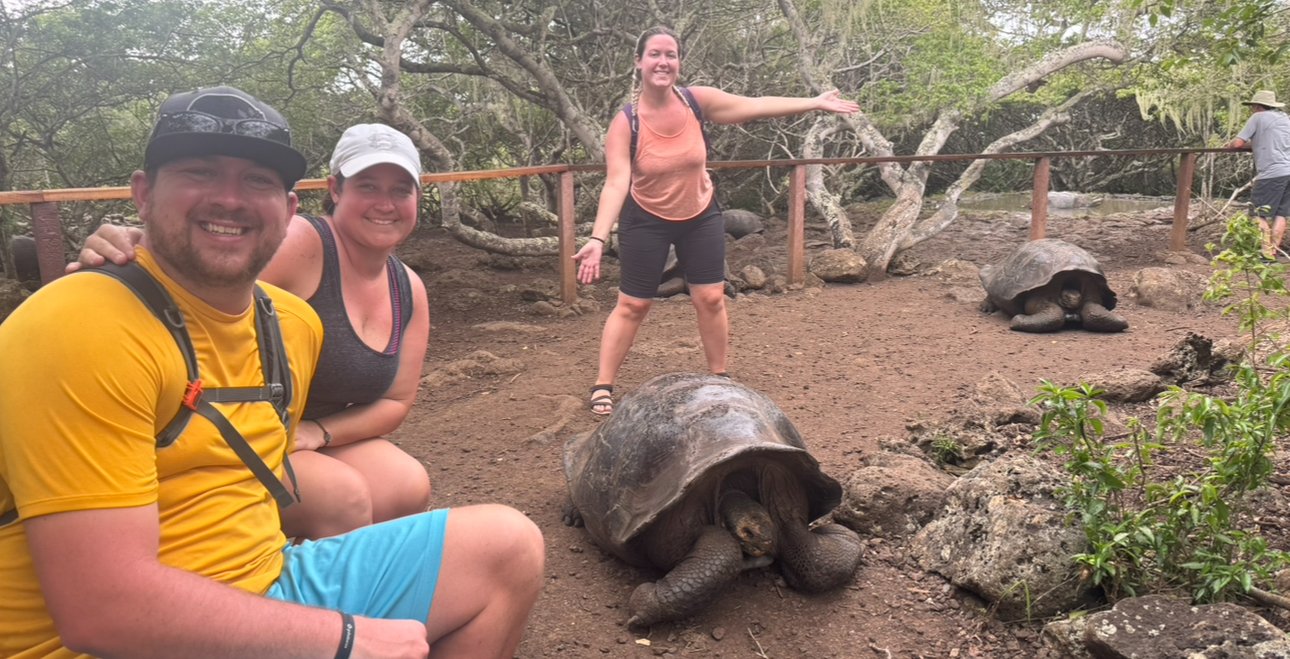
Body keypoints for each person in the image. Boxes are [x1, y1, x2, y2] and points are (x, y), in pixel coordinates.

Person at [0, 85, 543, 658]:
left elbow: (254, 478)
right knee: (349, 502)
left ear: (287, 209)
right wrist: (344, 636)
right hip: (110, 638)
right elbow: (101, 613)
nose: (229, 200)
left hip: (265, 577)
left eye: (257, 181)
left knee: (507, 546)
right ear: (142, 194)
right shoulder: (78, 326)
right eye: (200, 173)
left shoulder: (292, 324)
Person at [71, 123, 433, 540]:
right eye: (368, 186)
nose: (384, 204)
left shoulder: (408, 288)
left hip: (302, 429)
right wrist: (135, 248)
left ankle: (309, 568)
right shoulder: (300, 243)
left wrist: (318, 432)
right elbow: (200, 275)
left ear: (417, 198)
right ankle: (291, 593)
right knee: (342, 496)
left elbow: (396, 399)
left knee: (405, 484)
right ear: (335, 189)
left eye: (400, 190)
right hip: (222, 424)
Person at [571, 25, 860, 415]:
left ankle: (719, 378)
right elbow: (616, 182)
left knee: (709, 296)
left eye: (670, 55)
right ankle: (603, 383)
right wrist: (597, 238)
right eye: (655, 54)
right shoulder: (627, 123)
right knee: (634, 305)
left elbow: (753, 105)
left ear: (678, 63)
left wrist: (813, 102)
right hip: (646, 218)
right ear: (639, 62)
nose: (663, 61)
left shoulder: (695, 102)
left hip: (700, 213)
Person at [1226, 89, 1290, 261]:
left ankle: (1266, 253)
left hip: (1271, 173)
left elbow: (1238, 143)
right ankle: (1274, 251)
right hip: (1288, 171)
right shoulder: (1285, 119)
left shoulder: (1257, 118)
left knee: (1257, 213)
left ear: (1256, 106)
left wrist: (1230, 143)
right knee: (1281, 213)